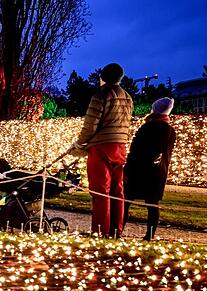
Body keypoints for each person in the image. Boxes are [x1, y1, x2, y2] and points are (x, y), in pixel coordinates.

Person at [71, 63, 134, 237]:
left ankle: (100, 230)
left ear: (103, 77)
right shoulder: (128, 97)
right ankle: (116, 230)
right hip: (120, 146)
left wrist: (80, 143)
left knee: (100, 191)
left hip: (101, 147)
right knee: (117, 190)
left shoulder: (100, 96)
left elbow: (90, 125)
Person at [125, 97, 177, 241]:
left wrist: (127, 169)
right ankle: (149, 235)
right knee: (152, 204)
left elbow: (134, 150)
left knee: (126, 201)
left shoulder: (147, 127)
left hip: (139, 169)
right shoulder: (170, 131)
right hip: (158, 172)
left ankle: (117, 230)